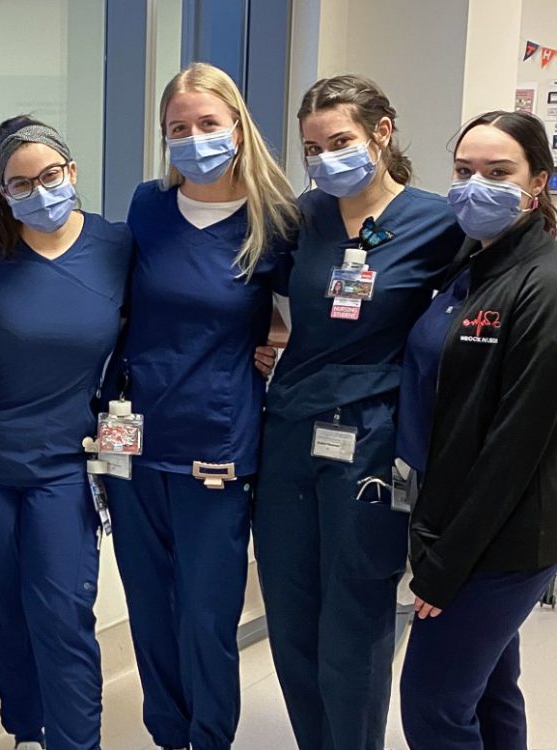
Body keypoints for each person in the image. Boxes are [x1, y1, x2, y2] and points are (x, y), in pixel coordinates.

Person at [253, 75, 462, 750]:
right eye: (312, 147)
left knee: (355, 616)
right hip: (288, 433)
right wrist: (271, 336)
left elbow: (475, 313)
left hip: (370, 440)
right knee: (290, 615)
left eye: (339, 141)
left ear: (382, 132)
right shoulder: (303, 216)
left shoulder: (438, 222)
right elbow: (266, 291)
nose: (324, 159)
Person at [107, 62, 297, 750]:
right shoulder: (147, 207)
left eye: (207, 125)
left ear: (239, 127)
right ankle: (167, 734)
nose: (193, 140)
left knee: (206, 614)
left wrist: (280, 342)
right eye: (177, 129)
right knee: (148, 609)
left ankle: (210, 737)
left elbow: (305, 319)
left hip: (215, 440)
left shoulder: (274, 220)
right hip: (128, 437)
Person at [0, 116, 132, 750]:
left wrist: (269, 337)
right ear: (1, 191)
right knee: (5, 618)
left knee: (62, 617)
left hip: (66, 466)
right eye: (20, 183)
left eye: (49, 176)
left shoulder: (115, 246)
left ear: (72, 172)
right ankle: (28, 732)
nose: (39, 191)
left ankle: (76, 742)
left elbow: (174, 316)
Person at [397, 110, 557, 750]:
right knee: (491, 692)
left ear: (538, 181)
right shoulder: (472, 263)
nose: (474, 187)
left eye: (498, 173)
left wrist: (444, 568)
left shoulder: (542, 283)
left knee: (433, 707)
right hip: (455, 517)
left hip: (500, 540)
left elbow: (514, 449)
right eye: (463, 172)